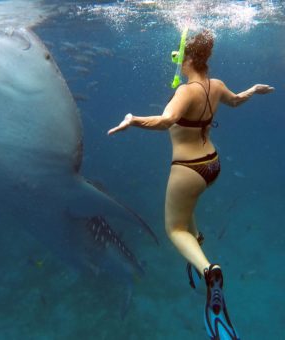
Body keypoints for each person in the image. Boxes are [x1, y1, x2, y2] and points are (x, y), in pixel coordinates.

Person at [107, 30, 274, 339]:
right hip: (212, 164)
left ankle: (210, 273)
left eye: (180, 58)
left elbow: (166, 121)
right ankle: (197, 253)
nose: (176, 62)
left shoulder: (186, 92)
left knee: (173, 228)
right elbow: (235, 102)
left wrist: (133, 120)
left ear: (190, 59)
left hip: (188, 169)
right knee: (188, 215)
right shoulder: (216, 85)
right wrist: (253, 89)